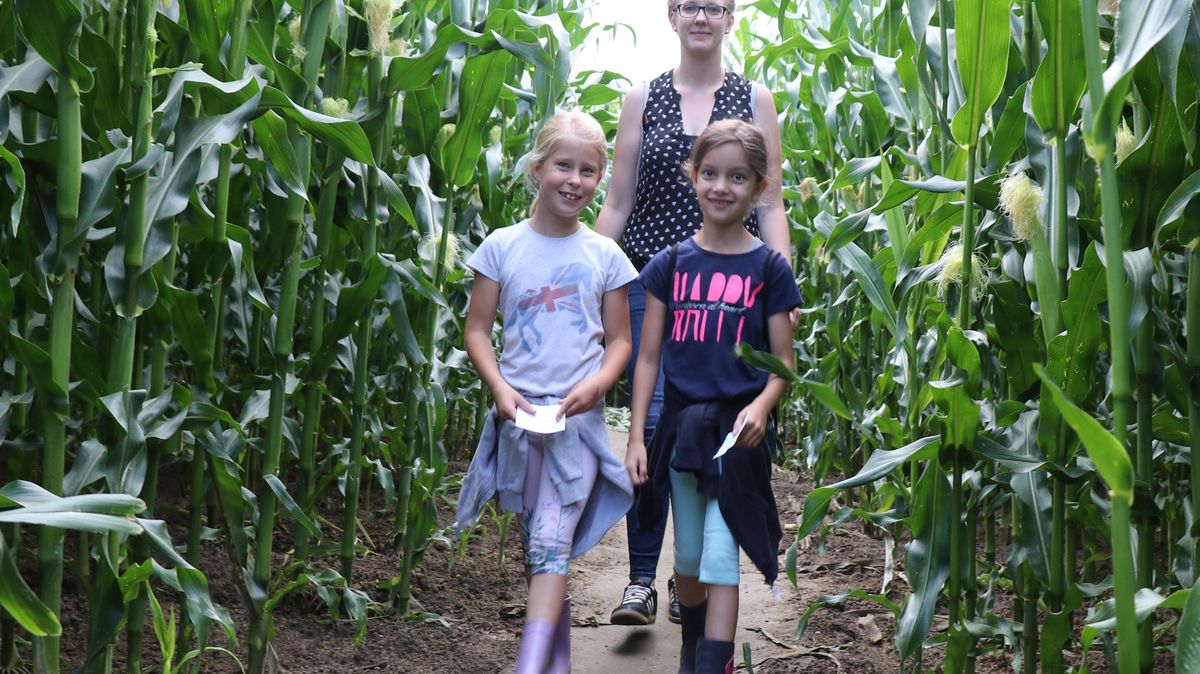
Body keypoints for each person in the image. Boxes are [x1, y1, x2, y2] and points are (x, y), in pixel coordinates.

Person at [594, 0, 792, 626]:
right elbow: (619, 200)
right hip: (651, 284)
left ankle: (694, 579)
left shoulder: (755, 98)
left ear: (731, 18)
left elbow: (773, 201)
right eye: (689, 6)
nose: (701, 15)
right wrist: (588, 273)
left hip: (731, 288)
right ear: (672, 18)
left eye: (715, 6)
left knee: (710, 430)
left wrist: (778, 280)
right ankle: (640, 580)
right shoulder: (640, 100)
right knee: (654, 429)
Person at [454, 111, 638, 674]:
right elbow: (478, 329)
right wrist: (500, 388)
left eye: (589, 170)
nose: (575, 180)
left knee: (551, 544)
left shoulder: (605, 255)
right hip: (517, 425)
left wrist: (597, 385)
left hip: (575, 428)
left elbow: (621, 342)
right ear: (537, 168)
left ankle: (529, 666)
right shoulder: (502, 246)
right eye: (564, 165)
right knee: (540, 549)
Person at [625, 119, 801, 673]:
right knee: (689, 559)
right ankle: (692, 645)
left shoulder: (769, 268)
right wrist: (637, 436)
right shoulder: (670, 265)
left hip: (739, 436)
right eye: (710, 174)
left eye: (737, 177)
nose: (721, 187)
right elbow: (648, 358)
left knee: (724, 557)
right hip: (682, 431)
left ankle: (710, 664)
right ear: (693, 176)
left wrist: (761, 405)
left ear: (758, 187)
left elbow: (783, 365)